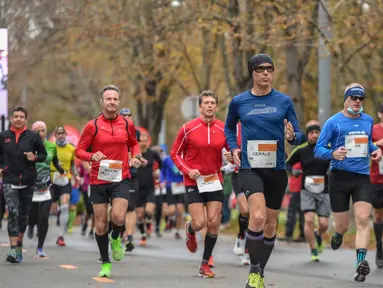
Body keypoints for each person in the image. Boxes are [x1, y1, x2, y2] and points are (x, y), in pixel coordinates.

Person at [224, 54, 304, 288]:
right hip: (250, 168)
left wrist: (292, 135)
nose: (266, 73)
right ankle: (254, 270)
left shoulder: (284, 101)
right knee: (256, 216)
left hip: (277, 169)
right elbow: (229, 128)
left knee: (270, 223)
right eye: (260, 69)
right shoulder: (239, 102)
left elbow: (297, 133)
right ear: (253, 73)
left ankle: (259, 270)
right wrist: (234, 146)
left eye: (269, 68)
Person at [315, 83, 382, 282]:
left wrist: (374, 150)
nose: (357, 102)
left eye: (361, 99)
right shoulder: (333, 122)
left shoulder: (367, 120)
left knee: (363, 219)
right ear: (346, 99)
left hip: (361, 177)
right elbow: (318, 149)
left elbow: (367, 140)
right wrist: (332, 153)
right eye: (354, 98)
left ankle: (360, 265)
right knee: (343, 225)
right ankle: (338, 234)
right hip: (339, 177)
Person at [75, 85, 142, 278]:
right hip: (98, 178)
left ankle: (115, 238)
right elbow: (79, 151)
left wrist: (136, 155)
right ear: (102, 102)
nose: (112, 102)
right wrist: (91, 155)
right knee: (101, 222)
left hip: (121, 177)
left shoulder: (127, 124)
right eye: (108, 99)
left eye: (115, 99)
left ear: (118, 101)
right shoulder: (92, 125)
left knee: (119, 217)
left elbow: (134, 144)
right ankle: (105, 263)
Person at [171, 90, 230, 278]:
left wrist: (231, 156)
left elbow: (233, 151)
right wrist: (187, 170)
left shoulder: (223, 128)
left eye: (213, 102)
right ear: (200, 107)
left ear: (217, 106)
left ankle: (205, 264)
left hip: (214, 180)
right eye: (206, 103)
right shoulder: (188, 128)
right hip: (193, 180)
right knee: (199, 223)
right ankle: (190, 229)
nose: (210, 105)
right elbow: (174, 153)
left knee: (213, 223)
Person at [0, 107, 47, 263]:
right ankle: (13, 249)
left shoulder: (33, 136)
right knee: (12, 211)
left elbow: (43, 155)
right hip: (9, 179)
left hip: (27, 180)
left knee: (22, 215)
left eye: (21, 116)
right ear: (11, 119)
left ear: (26, 120)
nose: (18, 119)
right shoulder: (4, 136)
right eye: (16, 116)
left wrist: (34, 157)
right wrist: (2, 167)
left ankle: (19, 245)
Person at [286, 120, 331, 262]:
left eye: (317, 132)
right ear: (308, 135)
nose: (314, 135)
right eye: (311, 133)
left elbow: (338, 160)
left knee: (324, 223)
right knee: (309, 220)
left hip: (324, 190)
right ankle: (313, 249)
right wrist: (293, 171)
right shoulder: (302, 149)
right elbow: (288, 163)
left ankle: (318, 234)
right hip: (307, 190)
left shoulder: (327, 148)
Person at [27, 121, 65, 257]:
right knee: (32, 216)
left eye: (43, 130)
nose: (40, 133)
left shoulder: (51, 146)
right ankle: (30, 225)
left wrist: (61, 169)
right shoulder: (28, 146)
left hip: (46, 185)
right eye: (37, 130)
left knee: (43, 217)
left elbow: (54, 161)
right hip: (31, 186)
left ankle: (40, 247)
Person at [50, 126, 79, 246]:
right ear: (55, 135)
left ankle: (61, 235)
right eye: (58, 133)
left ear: (65, 134)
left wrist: (76, 176)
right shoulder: (51, 147)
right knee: (52, 207)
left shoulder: (71, 149)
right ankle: (56, 214)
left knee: (65, 206)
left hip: (65, 179)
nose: (61, 135)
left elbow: (72, 165)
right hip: (52, 180)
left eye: (63, 133)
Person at [136, 133, 162, 244]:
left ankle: (149, 222)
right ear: (138, 142)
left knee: (149, 210)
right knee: (140, 214)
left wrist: (158, 171)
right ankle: (143, 235)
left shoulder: (152, 153)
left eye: (145, 141)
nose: (143, 143)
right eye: (141, 141)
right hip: (137, 187)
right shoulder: (134, 153)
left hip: (150, 186)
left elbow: (161, 163)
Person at [370, 103, 383, 268]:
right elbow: (365, 146)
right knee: (378, 215)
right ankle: (379, 248)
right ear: (380, 114)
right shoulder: (373, 129)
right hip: (376, 178)